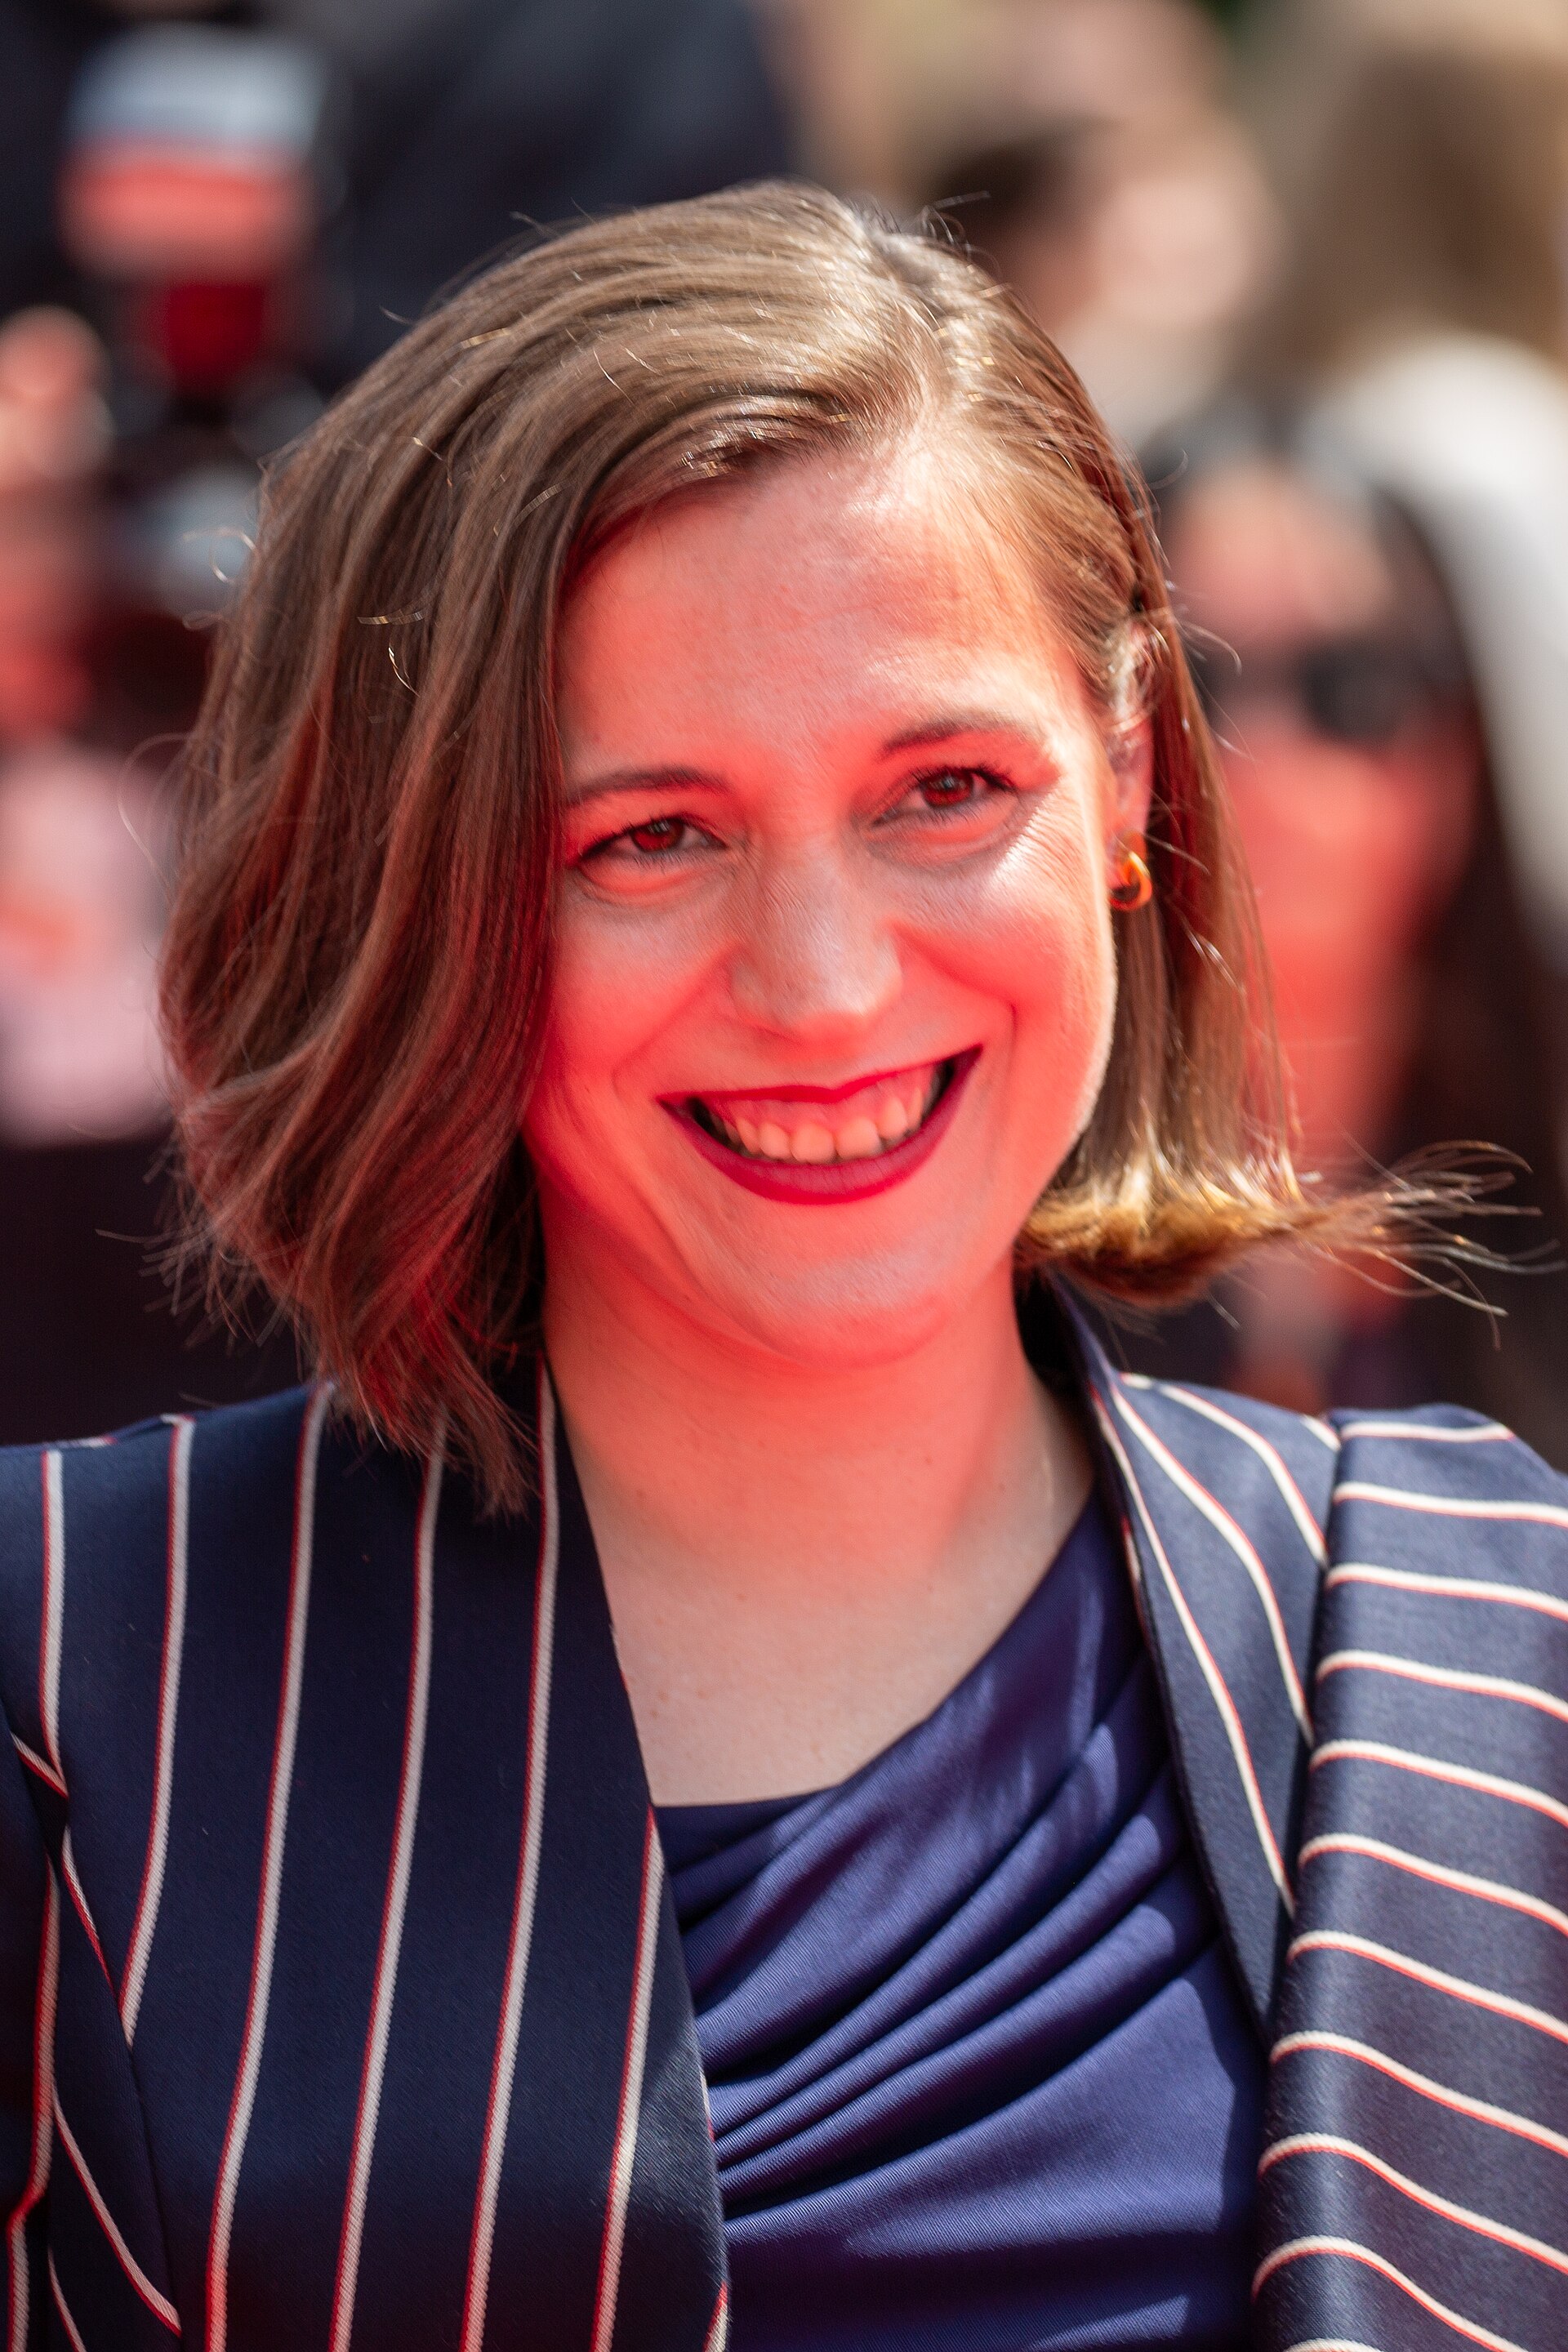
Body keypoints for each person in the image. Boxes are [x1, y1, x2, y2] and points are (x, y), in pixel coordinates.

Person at [0, 185, 1562, 2352]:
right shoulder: (74, 1685)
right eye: (649, 836)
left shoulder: (1504, 1650)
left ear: (1121, 774)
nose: (824, 986)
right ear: (420, 886)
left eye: (943, 787)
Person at [1118, 415, 1568, 1461]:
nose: (1268, 760)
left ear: (1456, 754)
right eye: (1197, 686)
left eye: (1349, 688)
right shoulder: (1001, 1208)